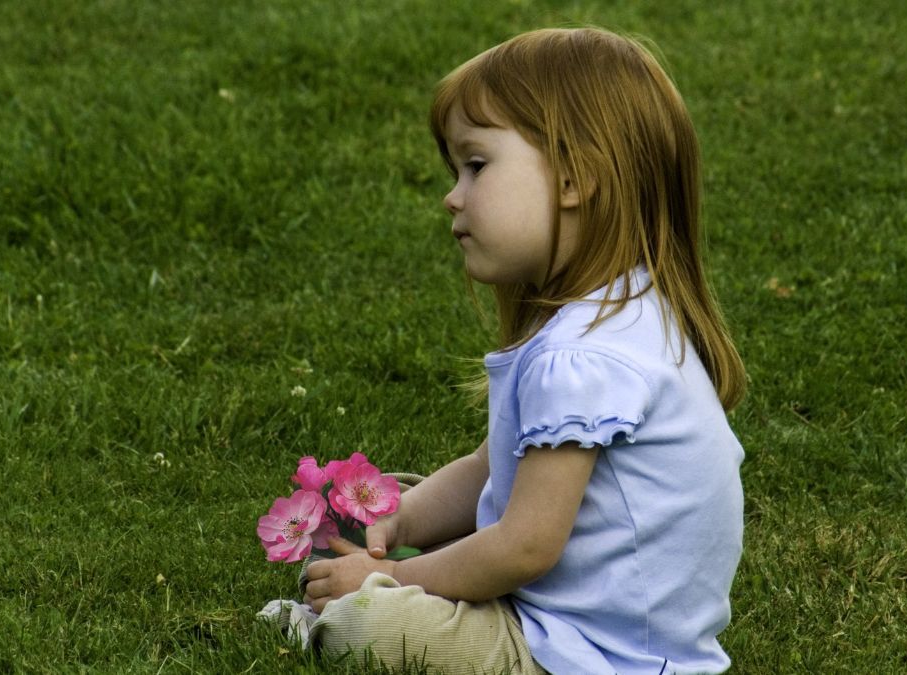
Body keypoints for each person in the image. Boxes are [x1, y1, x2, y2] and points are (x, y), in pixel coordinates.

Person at [300, 26, 747, 674]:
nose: (453, 195)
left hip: (582, 654)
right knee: (403, 510)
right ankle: (360, 566)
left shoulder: (584, 359)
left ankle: (339, 602)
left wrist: (397, 582)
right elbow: (491, 466)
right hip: (586, 625)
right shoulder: (623, 314)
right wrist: (399, 524)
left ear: (574, 178)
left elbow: (525, 547)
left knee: (367, 624)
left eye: (476, 166)